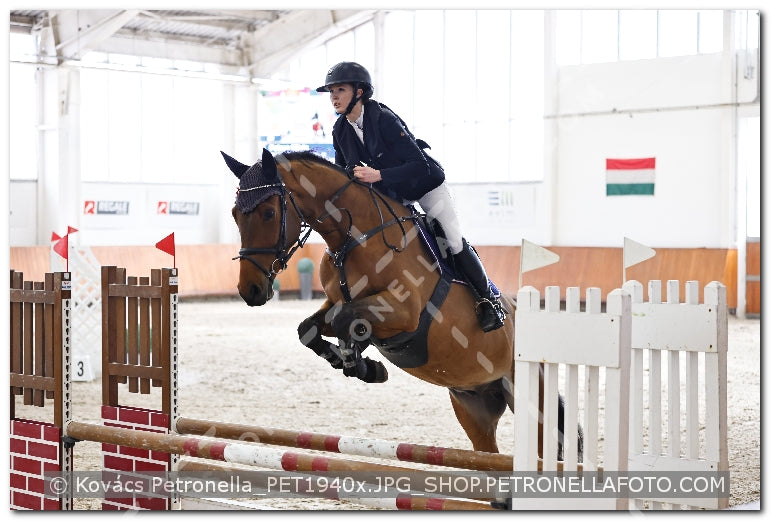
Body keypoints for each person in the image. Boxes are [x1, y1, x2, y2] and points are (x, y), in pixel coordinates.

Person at [316, 61, 505, 332]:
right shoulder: (339, 130)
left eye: (340, 90)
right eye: (331, 91)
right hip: (392, 197)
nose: (333, 96)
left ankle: (488, 301)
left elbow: (420, 165)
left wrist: (378, 175)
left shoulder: (383, 118)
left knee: (451, 240)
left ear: (359, 92)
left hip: (425, 186)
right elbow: (344, 175)